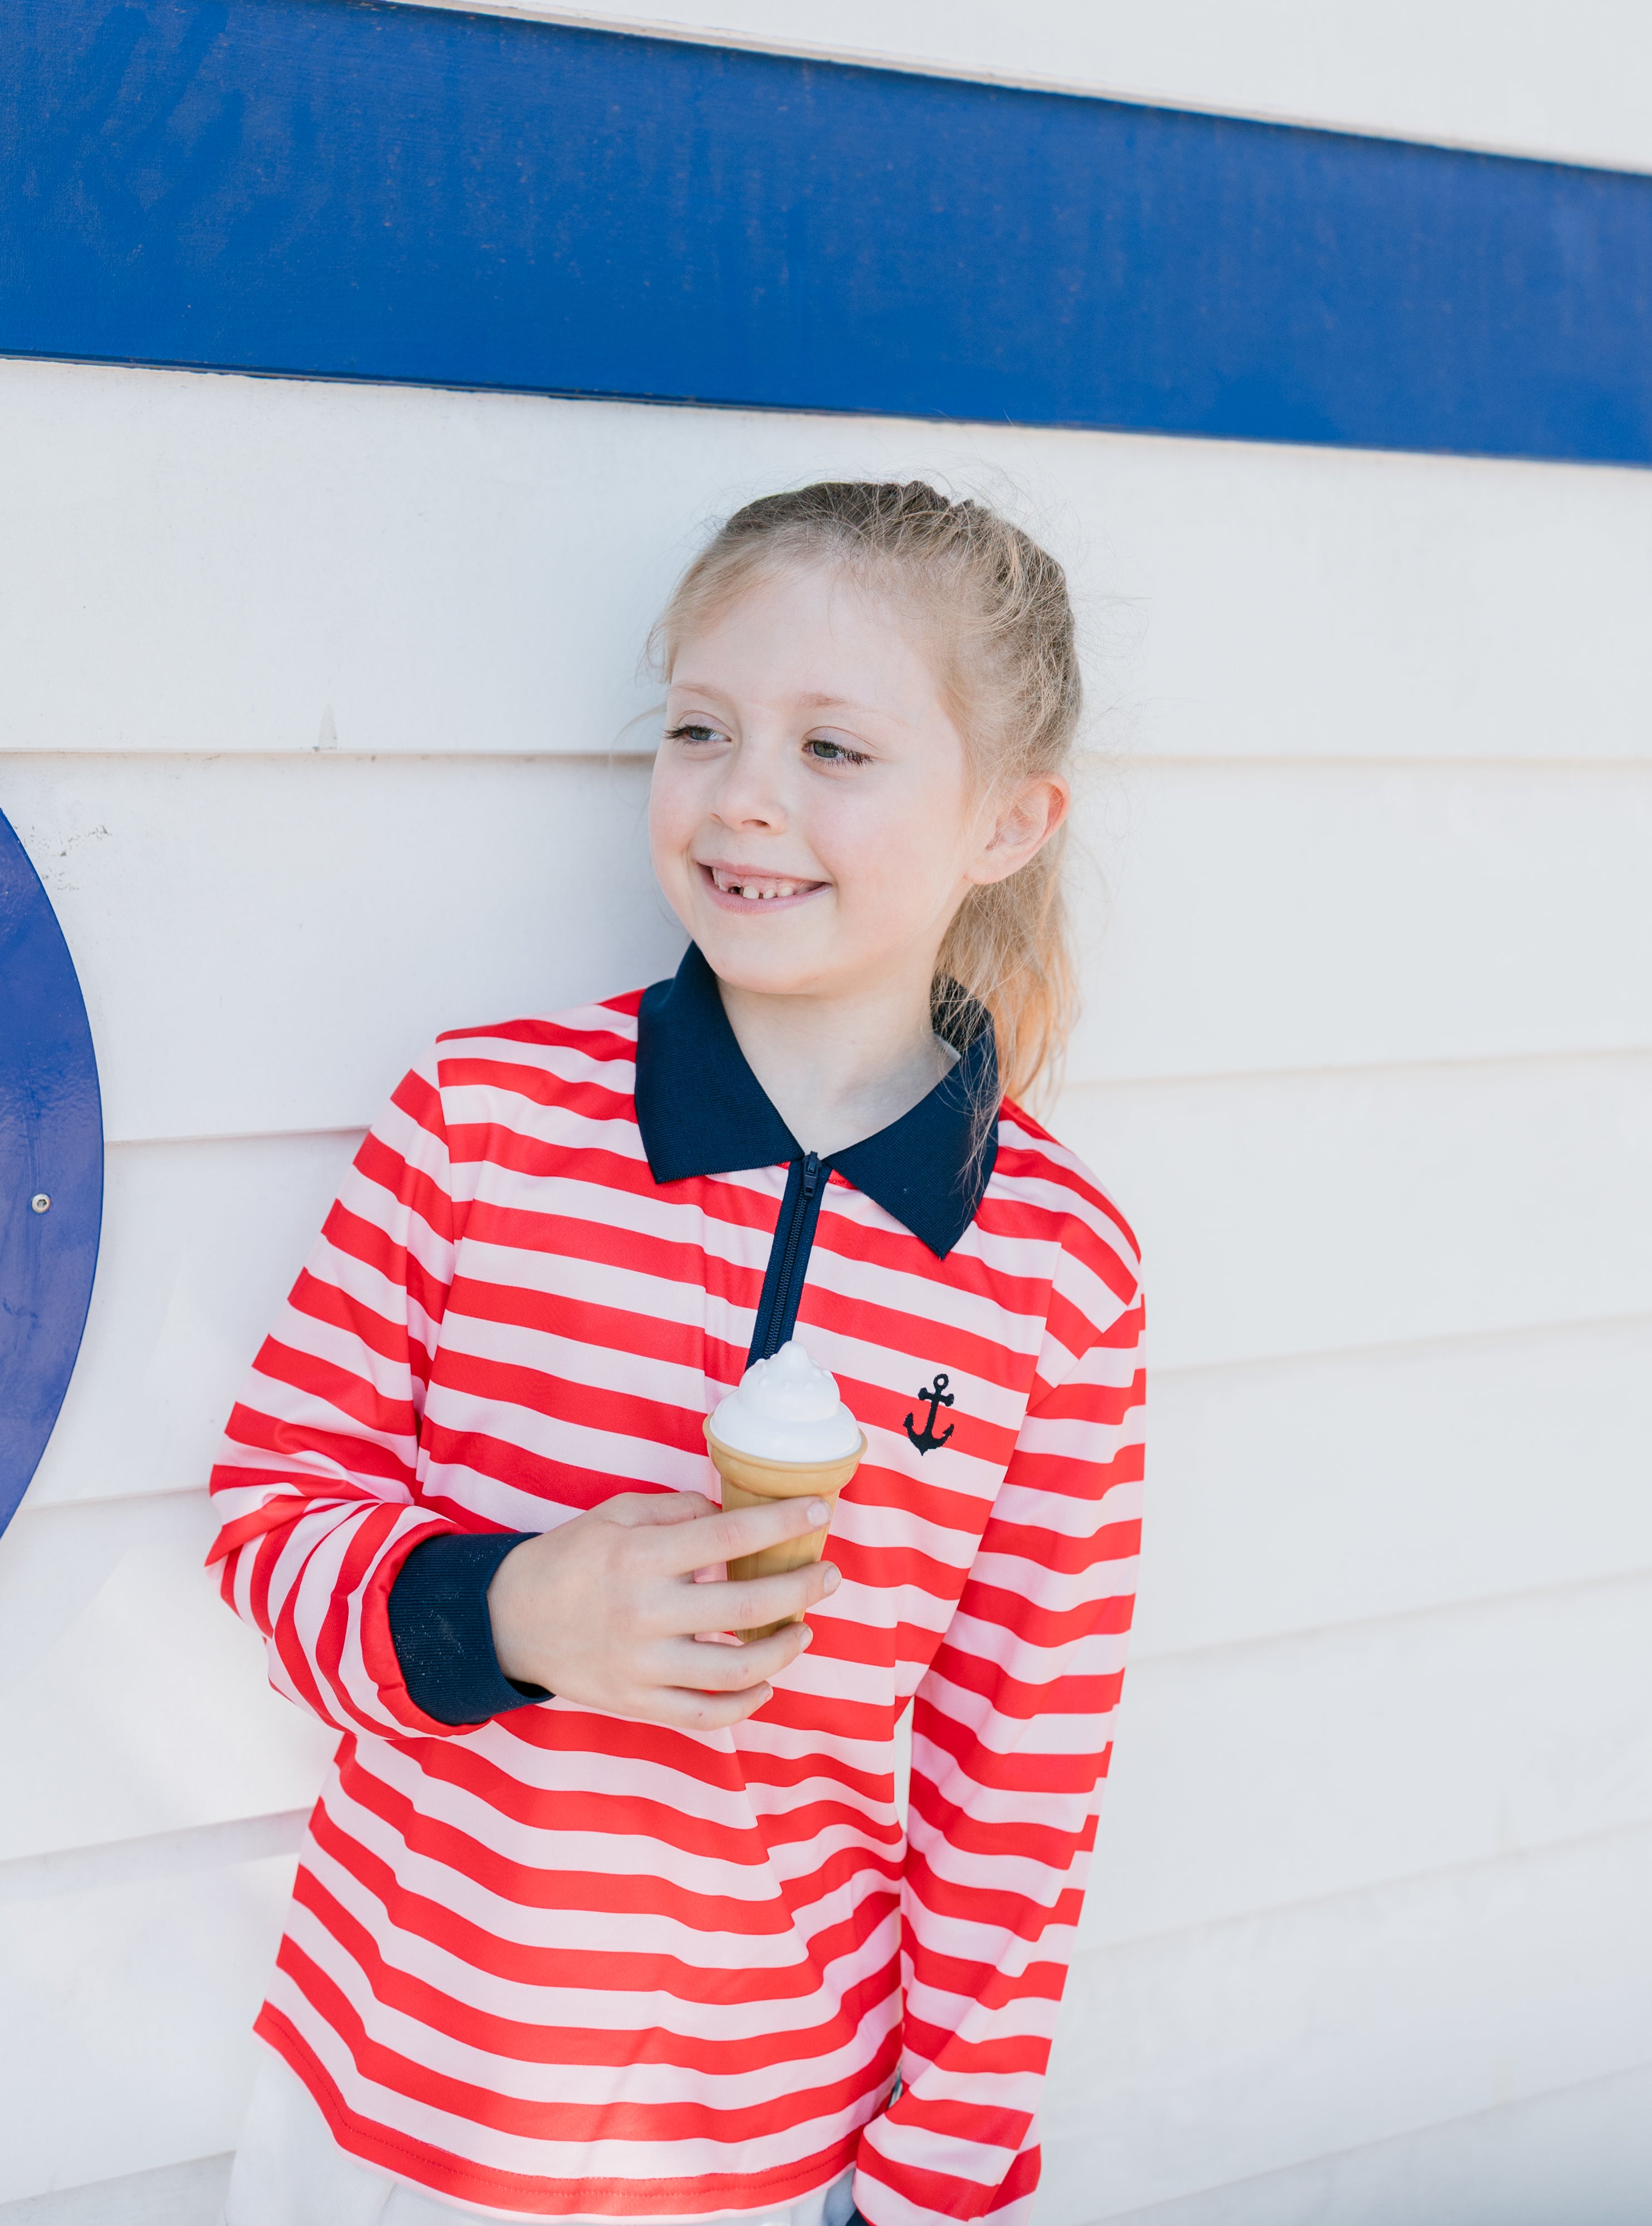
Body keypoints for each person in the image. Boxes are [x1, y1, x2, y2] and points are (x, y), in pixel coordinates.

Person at [211, 479, 1145, 2226]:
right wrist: (508, 1610)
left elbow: (1018, 1766)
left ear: (1009, 823)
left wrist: (935, 2184)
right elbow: (268, 1520)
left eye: (834, 749)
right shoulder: (476, 1121)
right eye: (700, 726)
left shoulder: (1052, 1268)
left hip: (766, 2148)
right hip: (389, 2099)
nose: (741, 796)